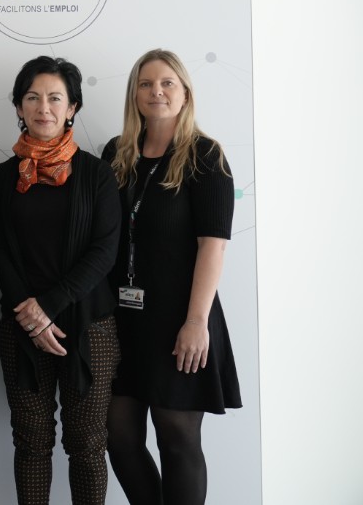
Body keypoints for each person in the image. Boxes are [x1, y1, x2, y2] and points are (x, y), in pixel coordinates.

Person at [102, 49, 241, 505]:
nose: (156, 92)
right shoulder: (116, 154)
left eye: (167, 83)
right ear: (134, 94)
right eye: (145, 84)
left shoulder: (205, 156)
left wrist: (196, 321)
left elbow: (213, 245)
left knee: (177, 439)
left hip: (181, 318)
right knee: (119, 437)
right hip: (124, 320)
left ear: (185, 93)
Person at [0, 56, 121, 504]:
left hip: (90, 327)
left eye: (55, 98)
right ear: (19, 107)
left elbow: (104, 251)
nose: (43, 107)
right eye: (32, 97)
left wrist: (48, 306)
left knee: (87, 445)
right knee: (31, 443)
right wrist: (32, 316)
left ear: (72, 108)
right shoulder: (2, 178)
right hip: (21, 328)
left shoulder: (97, 174)